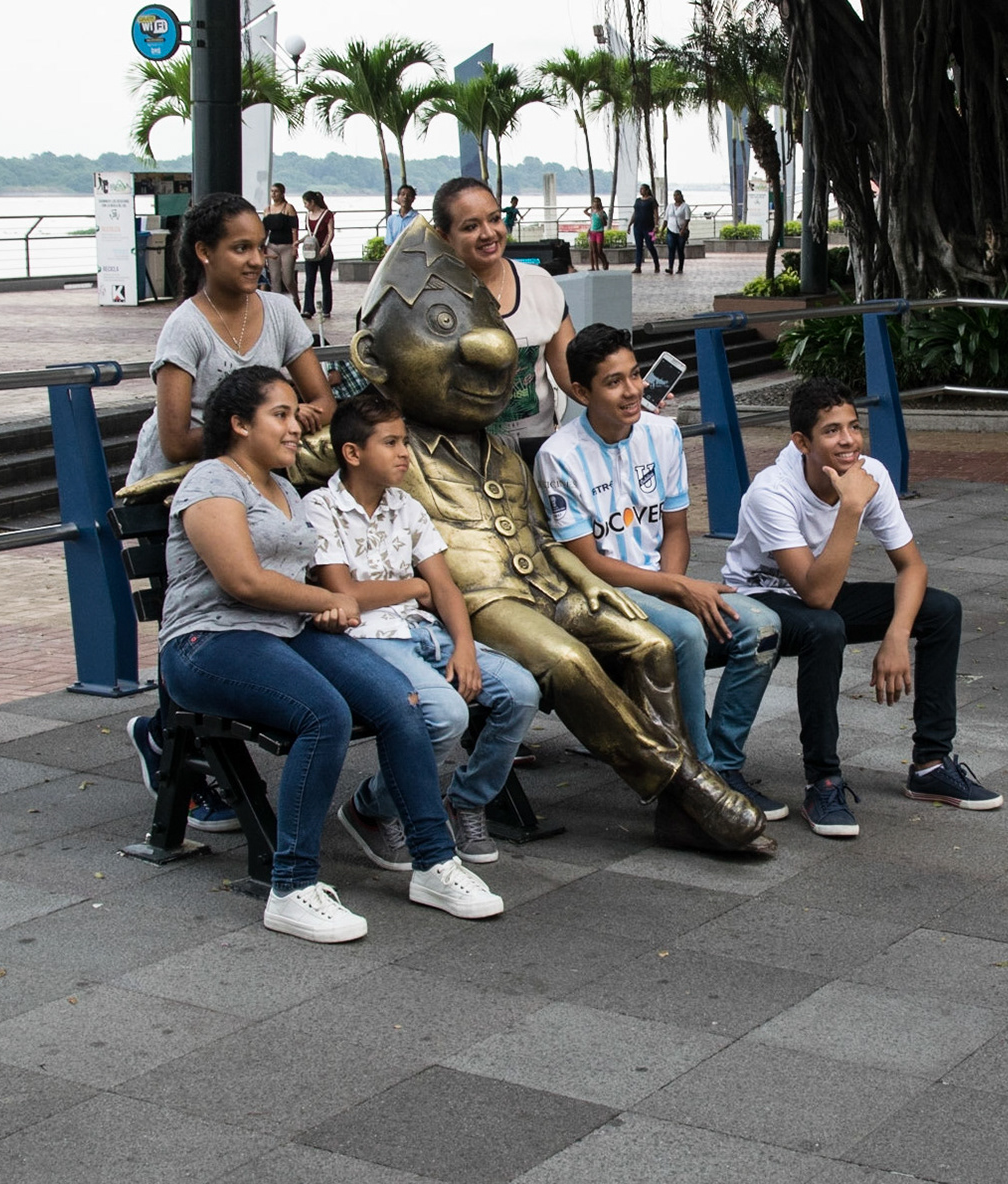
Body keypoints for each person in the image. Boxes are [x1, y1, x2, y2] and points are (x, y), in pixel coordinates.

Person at [306, 216, 771, 856]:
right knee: (568, 662)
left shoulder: (498, 449)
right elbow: (291, 451)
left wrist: (587, 583)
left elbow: (543, 535)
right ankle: (688, 785)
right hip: (483, 601)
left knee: (648, 643)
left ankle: (675, 807)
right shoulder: (390, 444)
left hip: (547, 583)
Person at [160, 366, 504, 942]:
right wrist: (327, 599)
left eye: (296, 414)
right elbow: (242, 581)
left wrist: (319, 605)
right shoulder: (212, 483)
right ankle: (291, 888)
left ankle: (434, 863)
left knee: (402, 702)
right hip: (210, 642)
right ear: (240, 424)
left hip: (289, 632)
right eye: (281, 414)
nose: (297, 426)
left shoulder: (285, 489)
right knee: (325, 715)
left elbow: (290, 579)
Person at [125, 192, 337, 830]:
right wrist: (254, 435)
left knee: (241, 604)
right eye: (239, 248)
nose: (255, 259)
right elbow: (175, 438)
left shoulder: (277, 311)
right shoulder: (186, 326)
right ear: (204, 252)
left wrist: (294, 416)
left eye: (260, 245)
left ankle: (175, 740)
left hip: (253, 474)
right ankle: (173, 741)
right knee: (194, 602)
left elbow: (321, 397)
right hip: (179, 484)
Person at [721, 376, 1001, 838]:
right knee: (824, 625)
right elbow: (816, 597)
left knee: (941, 610)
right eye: (832, 431)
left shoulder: (870, 473)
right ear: (801, 441)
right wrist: (851, 507)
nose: (848, 440)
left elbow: (912, 567)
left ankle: (931, 765)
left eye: (853, 426)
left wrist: (895, 635)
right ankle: (823, 781)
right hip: (759, 601)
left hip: (818, 586)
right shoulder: (770, 491)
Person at [536, 324, 786, 820]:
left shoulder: (663, 432)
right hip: (603, 592)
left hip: (659, 581)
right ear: (581, 392)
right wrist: (677, 589)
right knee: (687, 633)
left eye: (634, 375)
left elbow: (676, 529)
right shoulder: (557, 456)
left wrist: (674, 585)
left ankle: (724, 762)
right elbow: (589, 563)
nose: (632, 391)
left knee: (763, 628)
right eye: (613, 382)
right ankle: (701, 778)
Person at [303, 393, 541, 868]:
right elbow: (342, 593)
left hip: (426, 633)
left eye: (404, 441)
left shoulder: (406, 506)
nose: (404, 453)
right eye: (390, 443)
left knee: (520, 692)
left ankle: (467, 800)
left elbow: (445, 587)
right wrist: (413, 585)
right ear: (352, 453)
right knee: (447, 716)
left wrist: (467, 649)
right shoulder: (321, 507)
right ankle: (372, 808)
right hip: (369, 642)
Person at [428, 176, 575, 462]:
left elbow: (573, 375)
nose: (488, 233)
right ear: (443, 236)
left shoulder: (539, 283)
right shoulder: (427, 300)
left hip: (538, 456)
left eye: (494, 219)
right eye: (471, 226)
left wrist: (622, 398)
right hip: (460, 462)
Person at [300, 190, 336, 320]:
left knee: (325, 280)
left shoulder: (327, 214)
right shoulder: (307, 215)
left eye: (306, 203)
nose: (305, 205)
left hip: (323, 252)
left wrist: (326, 246)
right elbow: (310, 234)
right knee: (309, 280)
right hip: (311, 252)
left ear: (312, 202)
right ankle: (308, 308)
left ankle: (327, 308)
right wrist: (299, 241)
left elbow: (330, 232)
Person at [261, 183, 300, 304]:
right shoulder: (267, 210)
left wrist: (295, 246)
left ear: (282, 193)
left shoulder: (288, 208)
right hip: (272, 245)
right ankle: (278, 304)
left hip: (287, 245)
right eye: (272, 191)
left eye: (276, 191)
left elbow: (294, 229)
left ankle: (295, 297)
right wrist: (262, 245)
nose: (273, 194)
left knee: (288, 278)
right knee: (274, 278)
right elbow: (265, 230)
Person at [630, 183, 660, 273]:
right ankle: (638, 266)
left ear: (647, 190)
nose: (641, 190)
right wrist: (630, 224)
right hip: (637, 227)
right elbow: (635, 213)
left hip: (649, 227)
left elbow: (655, 214)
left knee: (650, 245)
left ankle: (656, 263)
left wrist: (656, 225)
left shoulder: (651, 200)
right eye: (640, 189)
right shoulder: (637, 201)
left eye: (642, 189)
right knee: (638, 246)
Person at [665, 190, 692, 275]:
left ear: (681, 196)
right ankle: (670, 267)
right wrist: (662, 230)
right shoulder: (670, 206)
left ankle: (680, 268)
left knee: (680, 249)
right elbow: (666, 219)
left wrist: (683, 230)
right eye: (674, 195)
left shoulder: (685, 206)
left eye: (677, 195)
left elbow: (687, 219)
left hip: (680, 231)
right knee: (671, 248)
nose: (676, 197)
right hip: (671, 229)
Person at [587, 196, 610, 271]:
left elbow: (605, 223)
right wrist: (590, 207)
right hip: (592, 232)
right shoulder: (593, 212)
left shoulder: (602, 213)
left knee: (599, 250)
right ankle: (594, 267)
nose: (596, 203)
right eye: (594, 202)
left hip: (599, 232)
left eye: (597, 202)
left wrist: (601, 218)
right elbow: (586, 213)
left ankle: (605, 262)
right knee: (593, 250)